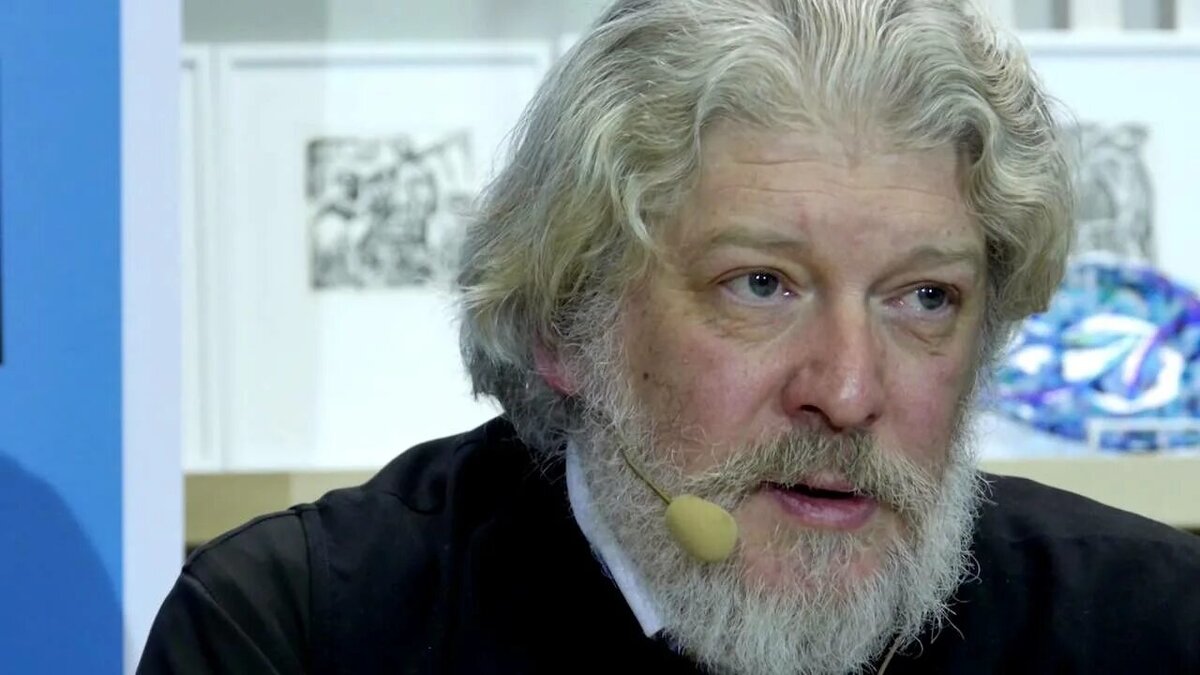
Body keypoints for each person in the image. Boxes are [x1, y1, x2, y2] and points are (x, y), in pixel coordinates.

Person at [137, 0, 1200, 673]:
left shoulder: (1150, 626)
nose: (847, 389)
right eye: (762, 285)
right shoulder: (300, 631)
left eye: (924, 298)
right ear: (563, 322)